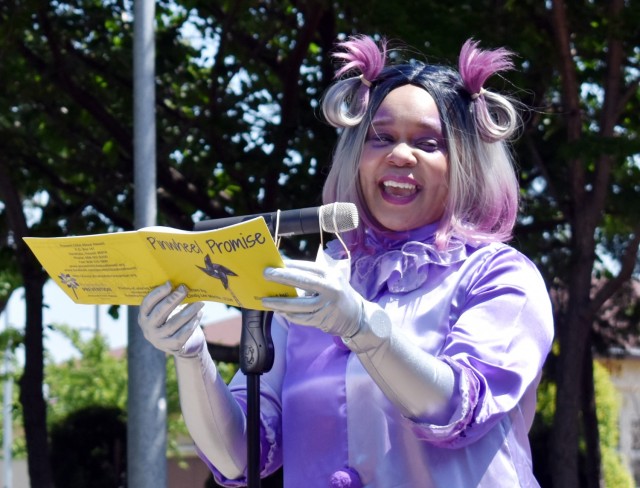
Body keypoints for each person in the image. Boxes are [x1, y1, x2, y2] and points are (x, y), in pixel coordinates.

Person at [138, 34, 554, 488]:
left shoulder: (498, 275)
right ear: (357, 157)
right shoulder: (315, 285)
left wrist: (362, 328)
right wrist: (190, 353)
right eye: (381, 137)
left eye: (429, 143)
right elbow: (241, 457)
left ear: (467, 163)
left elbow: (455, 411)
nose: (399, 155)